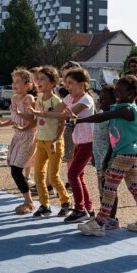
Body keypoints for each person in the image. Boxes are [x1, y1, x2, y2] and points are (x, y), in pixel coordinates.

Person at [76, 75, 137, 236]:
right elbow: (112, 136)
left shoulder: (127, 109)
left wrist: (80, 120)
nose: (116, 92)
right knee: (135, 188)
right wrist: (107, 158)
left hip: (126, 154)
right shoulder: (118, 109)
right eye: (116, 89)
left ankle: (100, 222)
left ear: (132, 94)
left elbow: (103, 116)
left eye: (120, 90)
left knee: (109, 186)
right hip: (125, 154)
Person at [28, 68, 94, 223]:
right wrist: (39, 112)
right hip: (79, 141)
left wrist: (40, 114)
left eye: (71, 83)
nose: (67, 86)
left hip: (89, 142)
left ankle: (79, 209)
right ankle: (88, 209)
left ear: (83, 84)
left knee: (72, 175)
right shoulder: (69, 98)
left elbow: (63, 115)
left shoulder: (86, 100)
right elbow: (58, 111)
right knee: (79, 176)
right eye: (65, 83)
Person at [23, 66, 71, 218]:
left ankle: (66, 202)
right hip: (41, 141)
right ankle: (45, 205)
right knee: (38, 176)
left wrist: (56, 140)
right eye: (36, 79)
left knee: (53, 176)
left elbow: (62, 122)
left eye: (42, 79)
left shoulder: (57, 101)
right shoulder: (37, 100)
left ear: (52, 83)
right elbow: (37, 120)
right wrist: (23, 128)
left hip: (53, 142)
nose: (38, 82)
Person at [0, 69, 37, 214]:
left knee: (16, 170)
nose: (14, 84)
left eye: (18, 82)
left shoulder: (29, 98)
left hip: (27, 136)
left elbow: (33, 119)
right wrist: (1, 123)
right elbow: (14, 119)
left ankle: (29, 202)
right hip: (17, 136)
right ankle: (27, 199)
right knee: (13, 168)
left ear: (28, 85)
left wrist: (20, 117)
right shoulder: (14, 98)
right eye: (13, 81)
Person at [91, 85, 120, 230]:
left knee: (110, 190)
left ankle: (112, 219)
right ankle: (103, 215)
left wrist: (106, 160)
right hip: (98, 158)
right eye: (100, 97)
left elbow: (112, 141)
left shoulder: (113, 117)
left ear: (114, 99)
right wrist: (93, 155)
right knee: (101, 189)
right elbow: (95, 136)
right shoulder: (101, 113)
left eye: (104, 98)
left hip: (107, 160)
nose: (100, 100)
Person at [58, 61, 82, 190]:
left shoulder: (84, 96)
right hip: (70, 129)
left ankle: (73, 182)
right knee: (69, 156)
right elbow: (58, 110)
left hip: (81, 132)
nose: (66, 83)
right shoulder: (68, 95)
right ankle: (71, 181)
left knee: (75, 158)